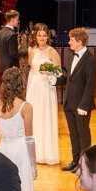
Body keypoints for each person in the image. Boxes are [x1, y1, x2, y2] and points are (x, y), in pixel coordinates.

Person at [25, 24, 61, 165]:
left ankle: (47, 153)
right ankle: (34, 153)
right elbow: (31, 70)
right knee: (35, 118)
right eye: (39, 35)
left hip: (46, 89)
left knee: (45, 118)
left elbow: (59, 72)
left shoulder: (52, 51)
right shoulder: (31, 50)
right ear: (35, 36)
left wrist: (49, 72)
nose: (42, 38)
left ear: (48, 37)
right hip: (34, 88)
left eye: (44, 35)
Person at [62, 28, 96, 172]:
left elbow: (90, 84)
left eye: (71, 39)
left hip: (81, 105)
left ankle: (85, 165)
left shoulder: (90, 59)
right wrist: (55, 79)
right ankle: (75, 161)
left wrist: (84, 105)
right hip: (69, 103)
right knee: (73, 134)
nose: (69, 42)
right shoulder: (72, 56)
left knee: (83, 135)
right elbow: (70, 79)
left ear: (80, 42)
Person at [0, 9, 20, 79]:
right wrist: (21, 52)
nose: (18, 21)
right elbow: (13, 53)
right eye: (17, 19)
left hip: (1, 67)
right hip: (10, 68)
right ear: (12, 19)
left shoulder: (0, 32)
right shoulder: (12, 34)